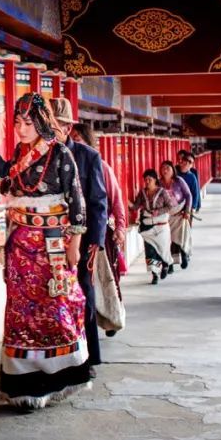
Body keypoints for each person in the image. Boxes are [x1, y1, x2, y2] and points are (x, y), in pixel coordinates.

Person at [0, 93, 92, 409]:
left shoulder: (60, 154)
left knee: (56, 307)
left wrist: (75, 243)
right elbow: (9, 176)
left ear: (41, 122)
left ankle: (59, 377)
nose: (21, 128)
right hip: (20, 246)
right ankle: (24, 386)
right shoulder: (21, 152)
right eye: (17, 122)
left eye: (27, 123)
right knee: (21, 311)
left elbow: (76, 199)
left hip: (52, 246)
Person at [45, 98, 108, 371]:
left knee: (83, 296)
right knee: (55, 298)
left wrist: (95, 243)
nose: (48, 130)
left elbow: (98, 203)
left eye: (53, 125)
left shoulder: (87, 156)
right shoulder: (41, 154)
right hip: (49, 241)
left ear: (68, 128)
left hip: (80, 242)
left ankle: (88, 357)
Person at [72, 123, 125, 337]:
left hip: (98, 235)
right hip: (74, 237)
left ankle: (112, 318)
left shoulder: (100, 165)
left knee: (105, 280)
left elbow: (115, 200)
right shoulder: (64, 165)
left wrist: (120, 227)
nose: (74, 143)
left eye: (78, 139)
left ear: (88, 142)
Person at [131, 169, 176, 284]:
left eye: (149, 179)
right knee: (150, 250)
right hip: (148, 227)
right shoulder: (142, 193)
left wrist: (158, 212)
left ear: (155, 180)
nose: (147, 182)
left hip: (161, 227)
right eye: (145, 179)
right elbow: (136, 206)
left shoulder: (162, 192)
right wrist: (125, 201)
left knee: (162, 249)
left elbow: (170, 206)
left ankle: (166, 264)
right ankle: (154, 274)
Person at [159, 160, 193, 270]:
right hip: (166, 215)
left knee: (182, 235)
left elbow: (188, 195)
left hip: (180, 213)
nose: (165, 170)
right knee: (167, 239)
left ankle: (184, 253)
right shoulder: (159, 183)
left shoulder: (179, 181)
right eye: (163, 168)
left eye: (167, 168)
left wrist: (187, 211)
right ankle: (170, 264)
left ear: (173, 170)